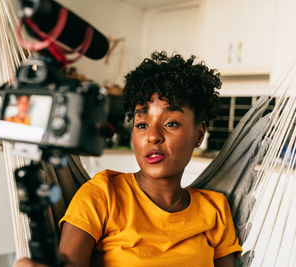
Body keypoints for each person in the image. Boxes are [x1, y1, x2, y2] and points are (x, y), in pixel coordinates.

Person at [15, 51, 242, 267]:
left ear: (199, 134)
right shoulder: (102, 195)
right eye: (141, 125)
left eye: (170, 123)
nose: (152, 136)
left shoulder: (215, 209)